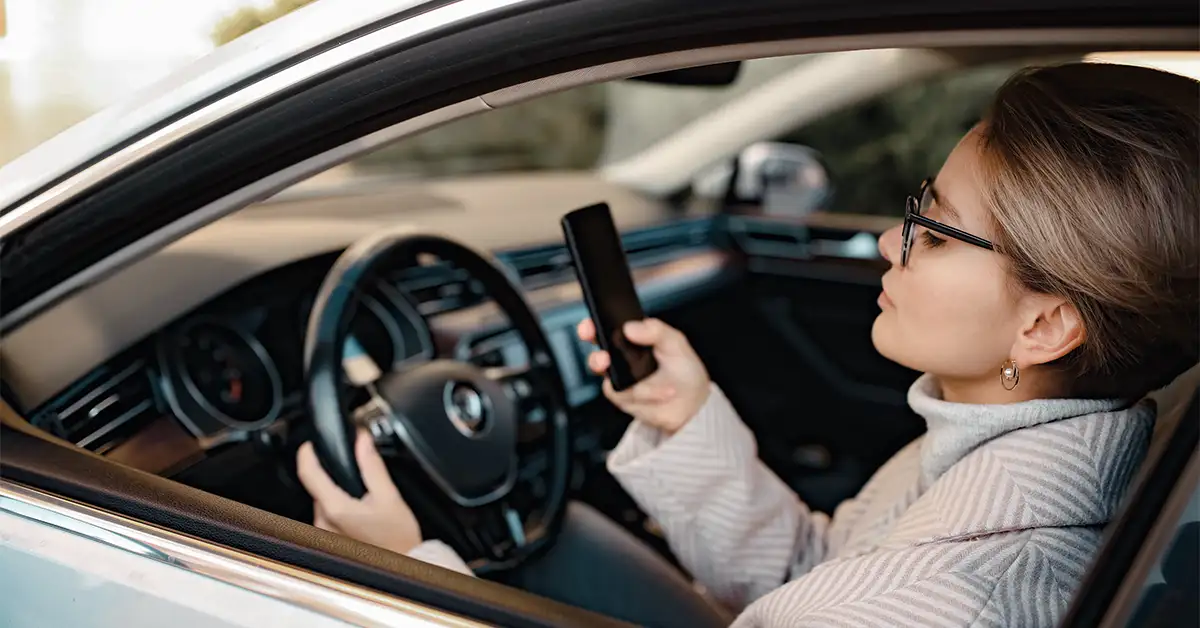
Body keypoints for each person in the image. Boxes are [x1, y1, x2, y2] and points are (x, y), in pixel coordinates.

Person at [295, 62, 1199, 627]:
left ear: (1045, 325)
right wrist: (690, 418)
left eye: (934, 228)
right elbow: (820, 570)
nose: (891, 240)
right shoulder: (1022, 453)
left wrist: (395, 576)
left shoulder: (952, 597)